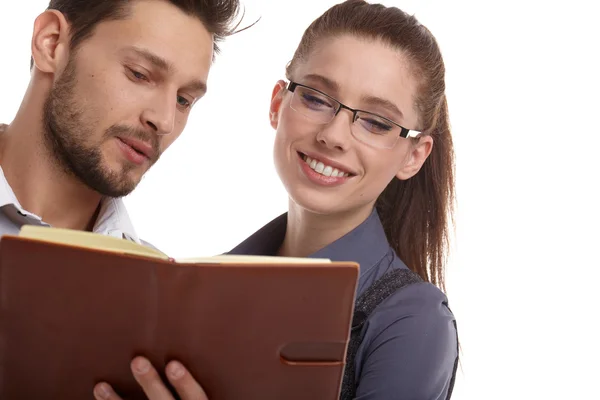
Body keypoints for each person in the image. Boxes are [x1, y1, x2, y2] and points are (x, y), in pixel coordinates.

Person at [0, 0, 241, 399]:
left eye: (184, 100)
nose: (164, 120)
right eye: (140, 74)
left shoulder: (164, 311)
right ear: (51, 42)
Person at [227, 0, 459, 399]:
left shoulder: (412, 322)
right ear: (278, 103)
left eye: (376, 122)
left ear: (414, 155)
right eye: (316, 98)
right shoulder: (205, 284)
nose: (333, 135)